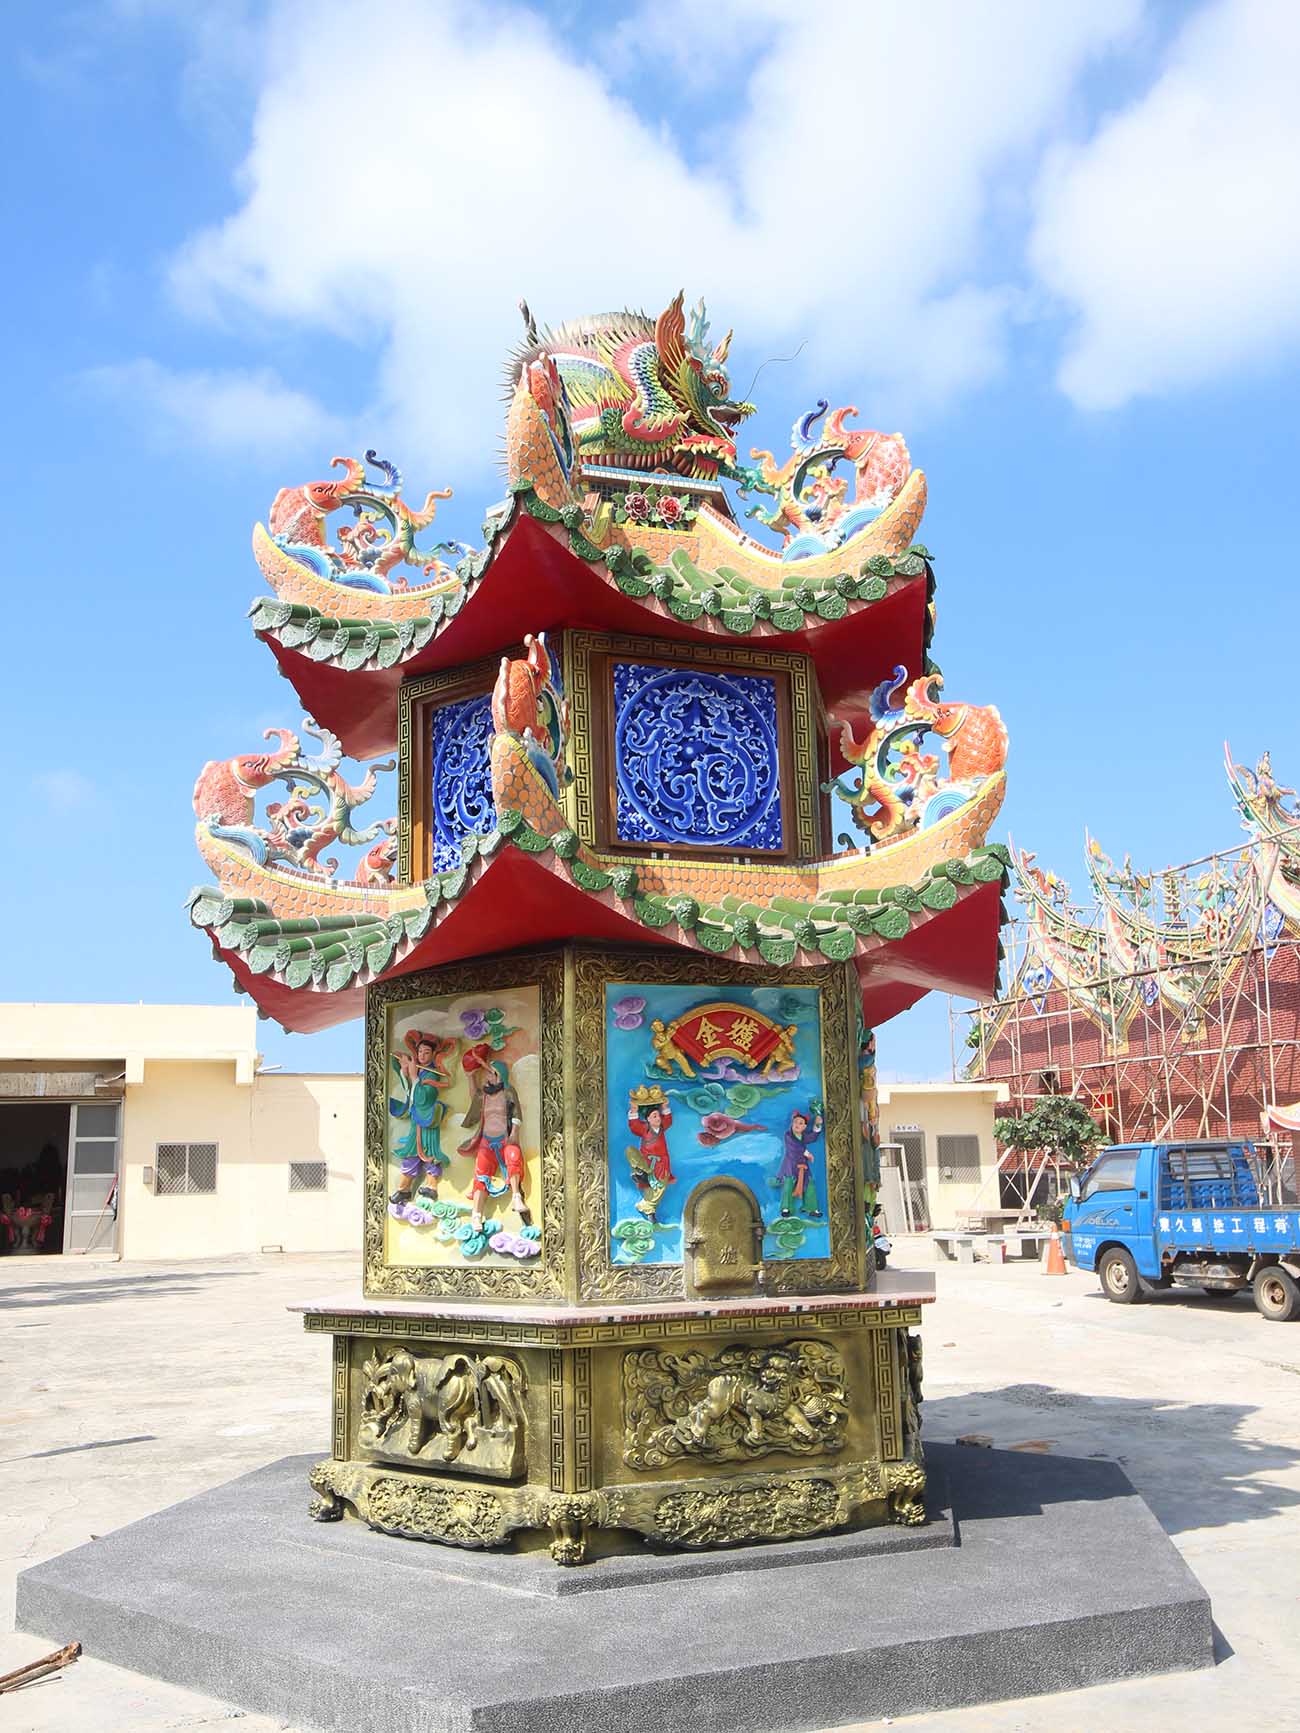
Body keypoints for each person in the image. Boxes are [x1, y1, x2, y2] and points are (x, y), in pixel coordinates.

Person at [459, 1052, 528, 1232]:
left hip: (504, 1138)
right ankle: (476, 1215)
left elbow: (516, 1113)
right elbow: (474, 1098)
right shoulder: (484, 1095)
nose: (488, 1077)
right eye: (487, 1074)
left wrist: (515, 1133)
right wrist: (470, 1077)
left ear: (499, 1075)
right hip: (486, 1141)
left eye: (491, 1073)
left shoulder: (508, 1092)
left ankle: (516, 1197)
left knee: (513, 1156)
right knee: (481, 1173)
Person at [388, 1032, 454, 1211]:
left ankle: (431, 1186)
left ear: (433, 1054)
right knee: (412, 1151)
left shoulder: (432, 1074)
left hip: (427, 1118)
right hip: (417, 1119)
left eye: (426, 1053)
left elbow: (425, 1098)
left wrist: (414, 1076)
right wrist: (405, 1073)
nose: (422, 1056)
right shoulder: (419, 1071)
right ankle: (404, 1189)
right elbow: (411, 1092)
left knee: (429, 1151)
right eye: (420, 1052)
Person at [626, 1091, 676, 1219]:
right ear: (648, 1119)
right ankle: (639, 1172)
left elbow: (668, 1120)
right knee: (630, 1151)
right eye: (654, 1116)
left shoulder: (662, 1127)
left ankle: (649, 1208)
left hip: (662, 1163)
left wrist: (664, 1106)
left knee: (659, 1186)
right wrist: (634, 1110)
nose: (658, 1118)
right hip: (646, 1163)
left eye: (658, 1116)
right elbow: (634, 1125)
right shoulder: (645, 1128)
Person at [777, 1106, 824, 1218]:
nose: (797, 1125)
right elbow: (794, 1147)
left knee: (809, 1184)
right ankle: (786, 1208)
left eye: (800, 1123)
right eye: (795, 1122)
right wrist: (806, 1153)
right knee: (788, 1184)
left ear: (804, 1127)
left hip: (803, 1166)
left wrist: (818, 1123)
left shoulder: (803, 1136)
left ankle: (812, 1208)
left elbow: (813, 1137)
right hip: (790, 1165)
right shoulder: (788, 1135)